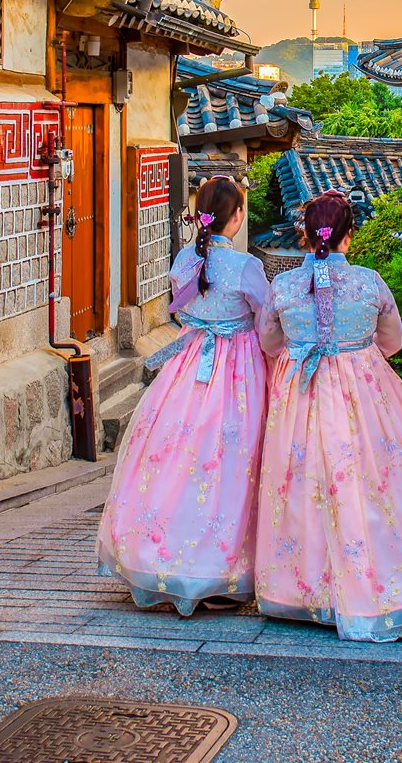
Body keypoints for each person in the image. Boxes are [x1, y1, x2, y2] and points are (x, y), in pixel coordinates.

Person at [254, 189, 402, 642]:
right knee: (373, 480)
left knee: (304, 481)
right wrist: (355, 352)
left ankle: (303, 590)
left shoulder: (283, 287)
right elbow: (393, 341)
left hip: (301, 392)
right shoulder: (369, 282)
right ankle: (380, 582)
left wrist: (302, 351)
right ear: (348, 234)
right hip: (364, 391)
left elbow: (268, 343)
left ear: (304, 232)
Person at [96, 175, 272, 614]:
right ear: (236, 217)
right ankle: (220, 570)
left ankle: (161, 553)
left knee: (177, 457)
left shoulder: (183, 262)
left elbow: (185, 310)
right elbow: (266, 321)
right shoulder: (246, 267)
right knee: (230, 460)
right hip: (235, 371)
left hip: (188, 366)